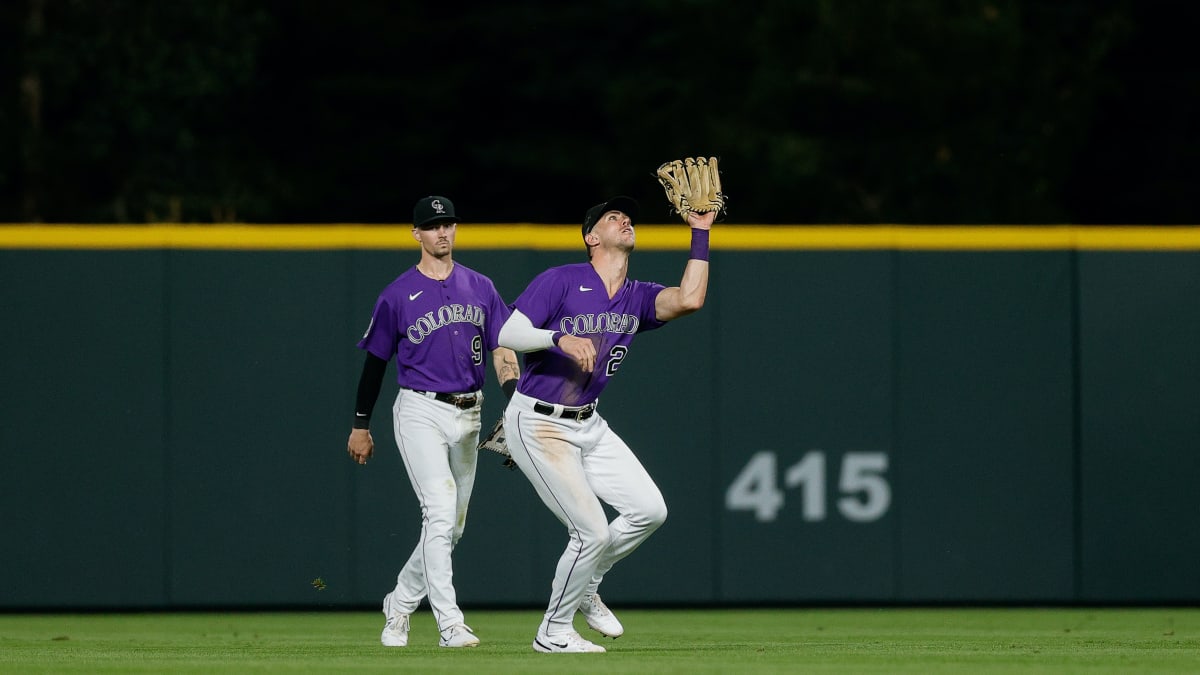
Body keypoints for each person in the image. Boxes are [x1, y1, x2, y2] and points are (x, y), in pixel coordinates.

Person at [497, 195, 715, 653]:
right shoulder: (560, 280)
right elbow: (507, 334)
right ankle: (552, 632)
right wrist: (558, 336)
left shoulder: (635, 296)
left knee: (649, 510)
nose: (625, 219)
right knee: (591, 532)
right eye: (613, 217)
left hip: (589, 424)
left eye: (628, 216)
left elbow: (691, 298)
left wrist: (700, 231)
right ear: (591, 237)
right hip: (538, 423)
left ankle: (588, 583)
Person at [346, 195, 520, 649]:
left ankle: (400, 603)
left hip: (472, 409)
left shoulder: (481, 286)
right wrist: (361, 424)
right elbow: (375, 365)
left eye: (449, 224)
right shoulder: (397, 294)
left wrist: (515, 404)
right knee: (440, 513)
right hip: (420, 409)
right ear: (416, 234)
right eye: (433, 226)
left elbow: (504, 347)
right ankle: (450, 624)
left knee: (452, 527)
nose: (443, 232)